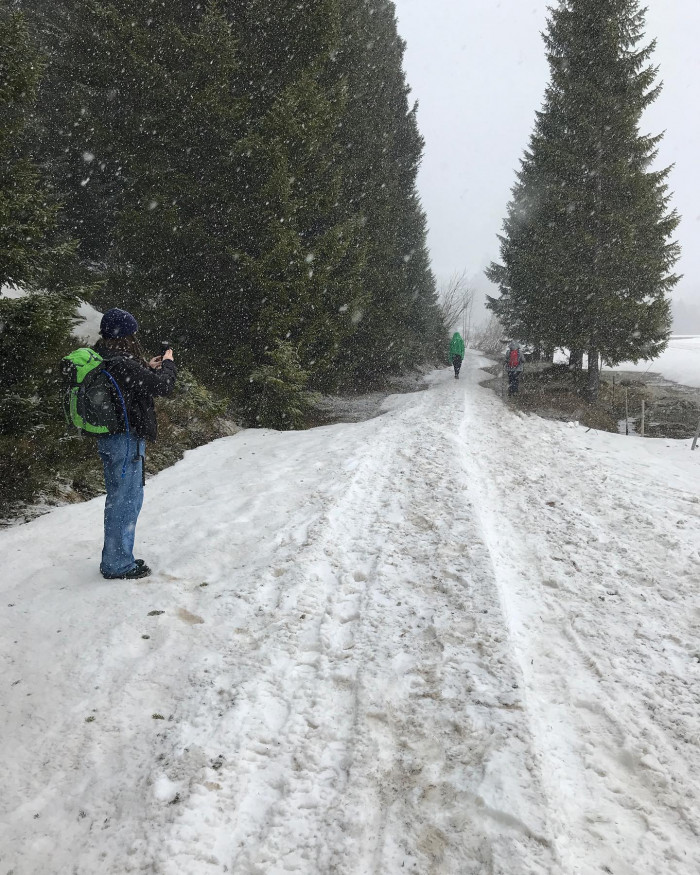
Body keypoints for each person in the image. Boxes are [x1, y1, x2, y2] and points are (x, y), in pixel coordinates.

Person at [93, 308, 177, 580]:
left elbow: (127, 380)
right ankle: (118, 564)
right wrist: (168, 365)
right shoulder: (123, 362)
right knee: (126, 500)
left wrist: (147, 368)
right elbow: (163, 387)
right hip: (125, 439)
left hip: (108, 436)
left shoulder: (102, 355)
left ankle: (115, 557)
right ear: (126, 335)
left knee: (117, 497)